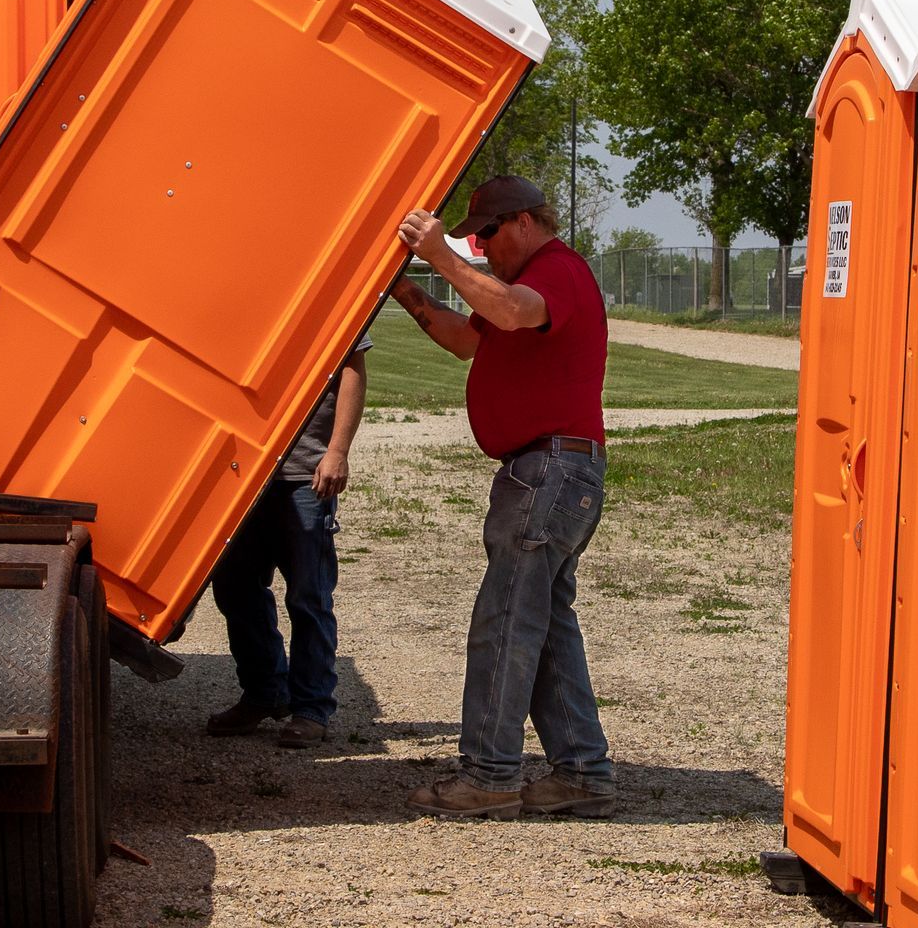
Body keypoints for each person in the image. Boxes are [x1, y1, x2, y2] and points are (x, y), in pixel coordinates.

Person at [389, 174, 615, 819]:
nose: (480, 248)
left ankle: (489, 775)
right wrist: (403, 287)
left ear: (522, 222)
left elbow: (510, 310)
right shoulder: (528, 281)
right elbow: (469, 339)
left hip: (549, 471)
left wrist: (439, 255)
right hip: (549, 471)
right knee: (541, 627)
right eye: (471, 241)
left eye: (486, 235)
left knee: (508, 623)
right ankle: (582, 773)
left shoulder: (557, 271)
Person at [204, 335, 369, 748]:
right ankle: (264, 691)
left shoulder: (331, 292)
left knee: (308, 596)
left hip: (303, 474)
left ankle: (311, 707)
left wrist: (337, 451)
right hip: (240, 472)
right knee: (234, 588)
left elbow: (353, 369)